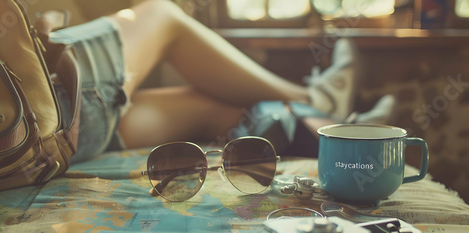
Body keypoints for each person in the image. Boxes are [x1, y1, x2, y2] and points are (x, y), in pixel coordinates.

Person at [35, 0, 395, 163]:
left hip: (50, 139)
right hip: (39, 108)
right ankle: (315, 100)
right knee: (161, 14)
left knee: (216, 109)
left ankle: (336, 133)